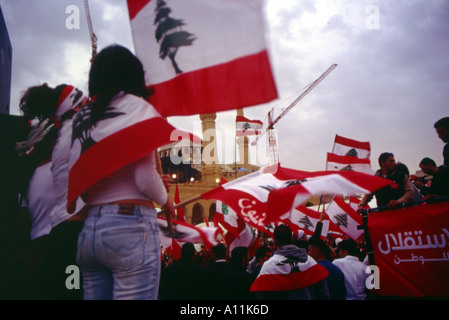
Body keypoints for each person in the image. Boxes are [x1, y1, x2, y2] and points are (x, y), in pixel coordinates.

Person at [72, 44, 175, 300]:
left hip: (90, 232)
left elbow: (79, 180)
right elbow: (144, 178)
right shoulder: (139, 108)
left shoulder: (81, 117)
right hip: (130, 228)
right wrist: (167, 201)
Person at [19, 83, 89, 300]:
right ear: (75, 108)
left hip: (50, 243)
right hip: (68, 242)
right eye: (85, 103)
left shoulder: (33, 165)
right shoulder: (73, 144)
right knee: (72, 294)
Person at [251, 225, 329, 300]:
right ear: (292, 240)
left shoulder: (268, 267)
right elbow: (323, 294)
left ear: (274, 242)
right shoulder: (310, 262)